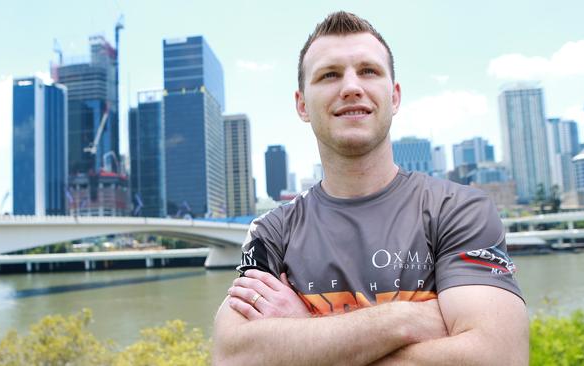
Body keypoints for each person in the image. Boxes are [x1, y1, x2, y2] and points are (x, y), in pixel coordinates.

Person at [213, 11, 529, 365]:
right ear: (302, 105)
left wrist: (306, 332)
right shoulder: (272, 231)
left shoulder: (457, 210)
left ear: (394, 97)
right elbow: (232, 356)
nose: (351, 87)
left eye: (369, 71)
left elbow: (499, 357)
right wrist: (408, 319)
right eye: (329, 75)